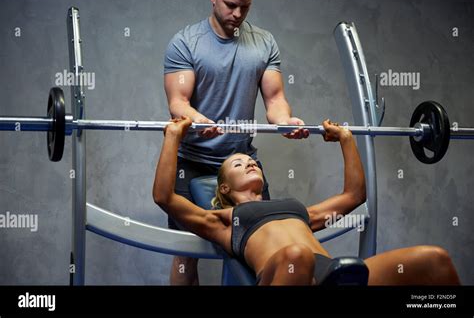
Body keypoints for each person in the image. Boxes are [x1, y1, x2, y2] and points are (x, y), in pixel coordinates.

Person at [153, 116, 461, 286]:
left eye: (251, 160)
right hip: (284, 273)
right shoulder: (222, 220)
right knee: (297, 256)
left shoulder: (300, 211)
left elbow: (354, 196)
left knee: (434, 260)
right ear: (223, 189)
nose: (249, 162)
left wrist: (346, 140)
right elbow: (164, 196)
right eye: (238, 163)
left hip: (332, 273)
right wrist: (172, 136)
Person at [162, 0, 308, 285]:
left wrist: (284, 121)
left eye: (245, 6)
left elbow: (275, 100)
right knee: (186, 252)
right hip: (192, 163)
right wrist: (197, 119)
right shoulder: (186, 43)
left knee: (264, 242)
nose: (237, 14)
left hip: (241, 162)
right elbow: (178, 102)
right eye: (230, 5)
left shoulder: (264, 42)